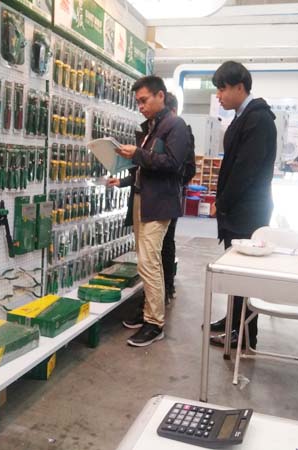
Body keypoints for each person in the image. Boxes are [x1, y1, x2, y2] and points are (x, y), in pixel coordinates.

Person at [108, 76, 190, 347]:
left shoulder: (176, 126)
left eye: (144, 100)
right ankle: (148, 313)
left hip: (159, 203)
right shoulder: (151, 128)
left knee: (149, 262)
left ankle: (155, 323)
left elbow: (174, 164)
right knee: (145, 260)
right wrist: (123, 179)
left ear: (160, 96)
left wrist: (137, 154)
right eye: (138, 102)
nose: (140, 106)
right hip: (142, 200)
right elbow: (146, 167)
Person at [209, 61, 277, 349]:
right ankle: (233, 320)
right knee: (236, 271)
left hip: (248, 210)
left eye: (222, 89)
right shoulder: (243, 116)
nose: (219, 96)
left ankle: (245, 333)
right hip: (238, 209)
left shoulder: (258, 119)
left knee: (245, 274)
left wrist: (222, 202)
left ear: (240, 87)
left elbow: (244, 171)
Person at [161, 92, 196, 303]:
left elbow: (189, 168)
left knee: (166, 242)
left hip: (170, 196)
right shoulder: (159, 131)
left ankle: (167, 287)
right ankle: (165, 287)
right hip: (156, 197)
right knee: (160, 245)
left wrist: (175, 182)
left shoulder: (182, 132)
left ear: (172, 111)